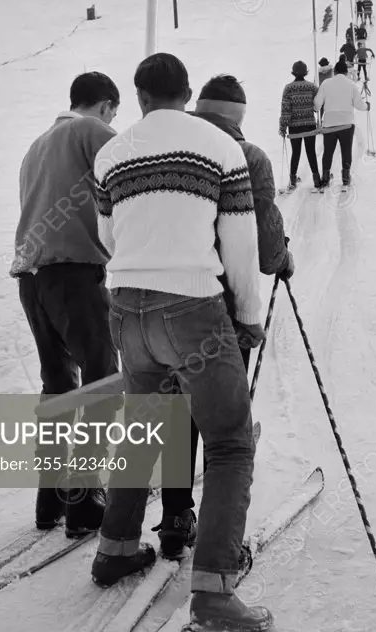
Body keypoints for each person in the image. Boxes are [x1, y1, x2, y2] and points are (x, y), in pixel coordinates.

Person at [91, 54, 274, 632]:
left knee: (144, 429)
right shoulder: (221, 148)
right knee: (228, 442)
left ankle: (116, 547)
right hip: (192, 307)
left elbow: (107, 236)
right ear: (187, 93)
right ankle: (215, 595)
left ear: (139, 96)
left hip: (126, 308)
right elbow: (239, 242)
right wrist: (246, 315)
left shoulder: (110, 153)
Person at [153, 74, 294, 559]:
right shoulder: (247, 157)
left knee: (176, 412)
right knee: (225, 428)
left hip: (155, 308)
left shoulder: (168, 148)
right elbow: (263, 242)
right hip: (218, 311)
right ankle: (220, 546)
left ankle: (174, 517)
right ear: (238, 117)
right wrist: (282, 260)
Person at [11, 72, 121, 535]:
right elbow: (131, 175)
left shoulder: (35, 147)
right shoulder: (90, 131)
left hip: (33, 277)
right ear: (104, 106)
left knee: (58, 383)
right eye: (114, 112)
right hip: (74, 273)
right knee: (104, 381)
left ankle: (51, 498)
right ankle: (85, 497)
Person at [313, 59, 369, 187]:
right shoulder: (351, 85)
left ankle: (325, 177)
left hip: (329, 123)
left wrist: (316, 109)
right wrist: (367, 106)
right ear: (345, 72)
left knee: (328, 152)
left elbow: (317, 104)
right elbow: (359, 105)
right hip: (346, 124)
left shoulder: (326, 84)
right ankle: (345, 177)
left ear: (334, 71)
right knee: (346, 150)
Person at [279, 61, 321, 190]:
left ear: (293, 73)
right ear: (305, 73)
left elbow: (286, 110)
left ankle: (292, 180)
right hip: (309, 125)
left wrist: (283, 127)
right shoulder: (312, 87)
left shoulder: (288, 88)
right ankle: (317, 180)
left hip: (294, 126)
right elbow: (318, 104)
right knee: (311, 152)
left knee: (295, 152)